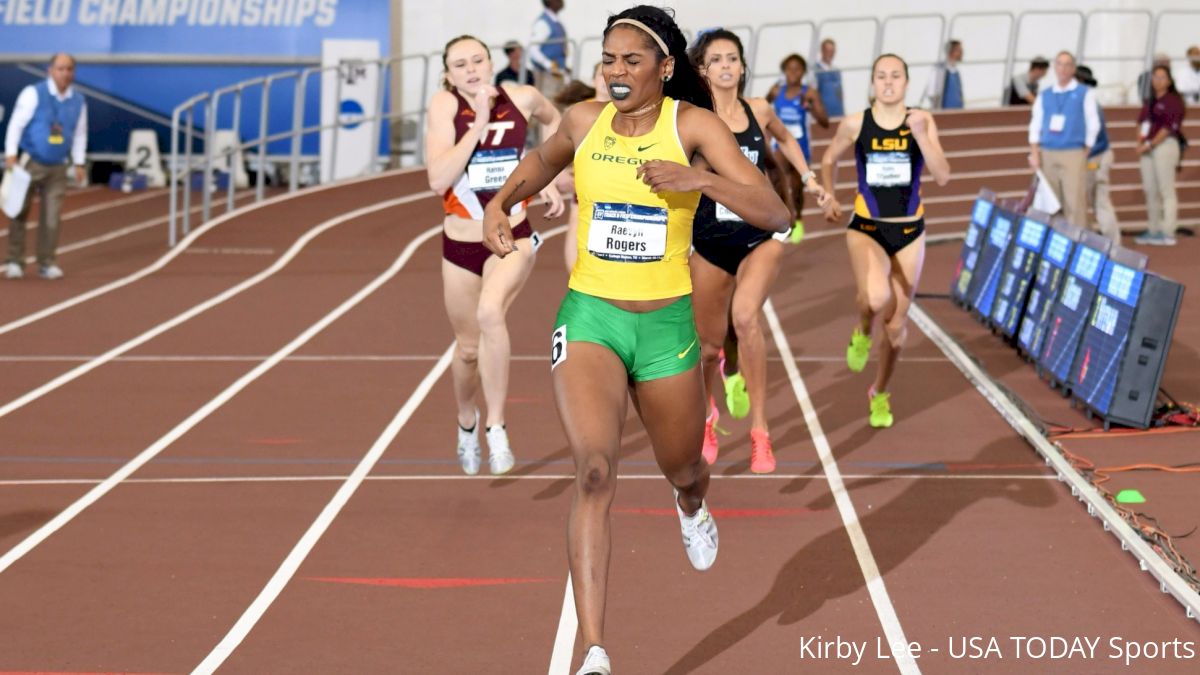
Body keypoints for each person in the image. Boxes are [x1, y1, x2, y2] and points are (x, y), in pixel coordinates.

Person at [482, 7, 789, 673]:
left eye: (632, 60)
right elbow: (541, 159)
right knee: (593, 470)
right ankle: (593, 648)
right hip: (591, 315)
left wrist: (700, 180)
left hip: (666, 324)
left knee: (683, 466)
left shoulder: (694, 127)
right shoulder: (585, 121)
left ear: (665, 67)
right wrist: (499, 203)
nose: (616, 72)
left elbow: (777, 213)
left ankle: (691, 503)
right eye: (609, 59)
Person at [425, 35, 564, 476]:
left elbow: (556, 120)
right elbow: (437, 178)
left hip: (512, 234)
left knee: (490, 314)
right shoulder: (445, 107)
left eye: (478, 60)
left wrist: (549, 176)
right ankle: (467, 421)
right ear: (448, 74)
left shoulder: (522, 97)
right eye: (460, 64)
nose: (471, 69)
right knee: (467, 349)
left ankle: (497, 426)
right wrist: (479, 122)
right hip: (460, 242)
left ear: (490, 63)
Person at [689, 30, 828, 472]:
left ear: (743, 67)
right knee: (709, 349)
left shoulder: (760, 110)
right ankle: (707, 417)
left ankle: (760, 432)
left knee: (746, 316)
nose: (726, 65)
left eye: (733, 58)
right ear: (703, 70)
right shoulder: (693, 118)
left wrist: (809, 180)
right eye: (717, 59)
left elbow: (787, 140)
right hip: (709, 240)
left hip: (758, 234)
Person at [820, 54, 951, 428]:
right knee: (876, 298)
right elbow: (829, 159)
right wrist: (830, 195)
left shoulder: (923, 120)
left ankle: (879, 393)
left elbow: (942, 175)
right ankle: (862, 331)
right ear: (873, 82)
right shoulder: (855, 123)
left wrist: (923, 136)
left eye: (896, 76)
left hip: (910, 230)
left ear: (906, 83)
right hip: (867, 227)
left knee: (896, 330)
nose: (889, 82)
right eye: (881, 76)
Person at [4, 53, 87, 281]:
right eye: (60, 68)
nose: (65, 73)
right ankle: (14, 261)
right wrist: (11, 154)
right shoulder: (33, 94)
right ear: (50, 70)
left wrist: (78, 162)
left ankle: (47, 261)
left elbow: (80, 134)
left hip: (58, 166)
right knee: (18, 211)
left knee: (52, 217)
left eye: (69, 69)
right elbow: (16, 124)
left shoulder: (78, 100)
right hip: (31, 161)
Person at [1028, 51, 1099, 228]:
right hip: (1048, 152)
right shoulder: (1045, 95)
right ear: (1054, 67)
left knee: (1074, 202)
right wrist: (1035, 152)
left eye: (1068, 64)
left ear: (1073, 68)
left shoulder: (1084, 93)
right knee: (1049, 203)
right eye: (1060, 64)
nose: (1063, 69)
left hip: (1073, 151)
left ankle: (1077, 245)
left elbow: (1093, 122)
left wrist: (1087, 147)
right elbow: (1035, 124)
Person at [554, 62, 610, 274]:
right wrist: (560, 174)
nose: (606, 81)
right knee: (575, 267)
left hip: (616, 197)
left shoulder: (629, 112)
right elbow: (557, 148)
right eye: (601, 75)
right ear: (594, 80)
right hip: (583, 196)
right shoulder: (578, 112)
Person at [767, 53, 828, 243]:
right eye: (789, 69)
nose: (793, 72)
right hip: (779, 143)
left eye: (797, 69)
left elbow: (824, 121)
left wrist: (810, 107)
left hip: (800, 145)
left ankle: (798, 219)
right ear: (784, 71)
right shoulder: (777, 91)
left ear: (803, 72)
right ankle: (784, 220)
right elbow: (763, 105)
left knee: (796, 186)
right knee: (777, 178)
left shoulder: (809, 93)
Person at [1135, 64, 1186, 247]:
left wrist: (1150, 144)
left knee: (1166, 189)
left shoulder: (1174, 102)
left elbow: (1167, 128)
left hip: (1164, 146)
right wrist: (1141, 142)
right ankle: (1154, 228)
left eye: (1162, 77)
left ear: (1169, 80)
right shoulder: (1149, 101)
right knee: (1150, 190)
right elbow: (1141, 123)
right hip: (1147, 148)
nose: (1158, 80)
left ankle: (1168, 231)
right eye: (1155, 77)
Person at [1075, 66, 1120, 243]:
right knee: (1099, 199)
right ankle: (1112, 243)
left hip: (1094, 159)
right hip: (1100, 156)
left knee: (1089, 200)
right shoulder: (1090, 101)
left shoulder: (1085, 104)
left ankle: (1103, 242)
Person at [529, 0, 570, 99]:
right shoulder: (543, 23)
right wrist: (548, 64)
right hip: (546, 74)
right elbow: (533, 49)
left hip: (556, 73)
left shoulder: (556, 21)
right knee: (548, 104)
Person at [923, 40, 964, 110]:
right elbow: (932, 93)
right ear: (950, 51)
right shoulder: (940, 69)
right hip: (945, 113)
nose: (961, 53)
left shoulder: (955, 70)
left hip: (958, 112)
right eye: (958, 50)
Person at [811, 38, 845, 118]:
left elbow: (840, 94)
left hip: (838, 114)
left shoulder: (836, 71)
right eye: (827, 51)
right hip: (823, 116)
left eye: (832, 51)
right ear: (822, 51)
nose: (830, 54)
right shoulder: (815, 71)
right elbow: (812, 95)